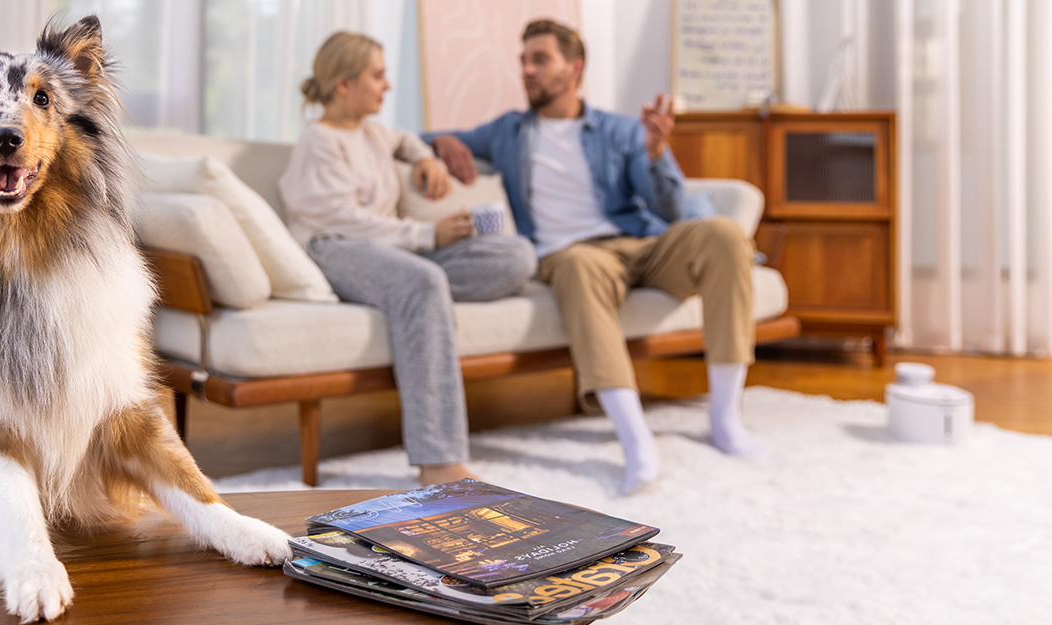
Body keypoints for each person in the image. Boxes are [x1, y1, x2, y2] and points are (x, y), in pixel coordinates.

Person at [426, 20, 761, 495]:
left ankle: (726, 419)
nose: (527, 70)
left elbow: (669, 208)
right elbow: (422, 136)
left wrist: (656, 152)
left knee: (726, 234)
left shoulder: (621, 130)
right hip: (570, 256)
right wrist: (441, 144)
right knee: (580, 264)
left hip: (639, 245)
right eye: (523, 60)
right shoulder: (507, 132)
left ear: (574, 68)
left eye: (540, 59)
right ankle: (636, 440)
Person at [279, 32, 537, 486]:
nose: (387, 86)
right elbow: (346, 220)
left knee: (516, 254)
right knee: (422, 282)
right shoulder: (319, 141)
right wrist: (426, 234)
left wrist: (427, 159)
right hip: (336, 247)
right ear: (344, 84)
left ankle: (413, 297)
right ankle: (436, 460)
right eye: (377, 76)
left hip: (391, 253)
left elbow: (408, 141)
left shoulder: (376, 133)